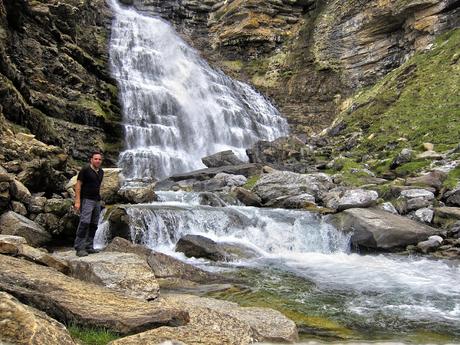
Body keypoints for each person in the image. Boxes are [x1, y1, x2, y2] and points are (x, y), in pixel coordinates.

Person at [73, 151, 104, 257]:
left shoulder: (101, 172)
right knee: (84, 223)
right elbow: (78, 185)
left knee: (94, 224)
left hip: (97, 201)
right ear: (91, 159)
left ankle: (89, 246)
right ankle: (79, 247)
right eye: (96, 159)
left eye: (99, 159)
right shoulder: (85, 170)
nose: (98, 161)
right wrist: (77, 201)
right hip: (86, 200)